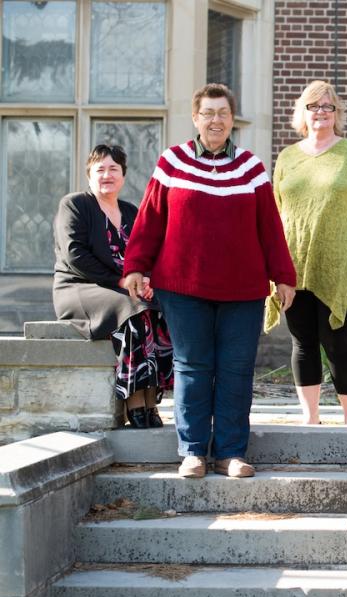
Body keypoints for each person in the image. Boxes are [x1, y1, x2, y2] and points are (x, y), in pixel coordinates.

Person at [122, 83, 297, 479]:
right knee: (192, 367)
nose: (215, 120)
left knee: (236, 369)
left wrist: (284, 276)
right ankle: (194, 452)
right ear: (196, 118)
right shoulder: (172, 162)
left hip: (243, 290)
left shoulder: (251, 167)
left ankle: (231, 453)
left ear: (232, 119)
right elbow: (150, 220)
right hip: (183, 287)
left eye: (222, 113)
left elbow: (270, 228)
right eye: (208, 113)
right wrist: (135, 266)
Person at [264, 80, 347, 425]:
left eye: (328, 106)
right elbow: (277, 207)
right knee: (302, 341)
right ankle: (310, 418)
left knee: (336, 340)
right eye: (313, 106)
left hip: (340, 264)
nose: (321, 113)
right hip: (295, 263)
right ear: (302, 113)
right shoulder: (287, 157)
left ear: (337, 113)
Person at [53, 144, 173, 429]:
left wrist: (147, 279)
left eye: (113, 169)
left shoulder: (131, 211)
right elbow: (75, 256)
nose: (107, 175)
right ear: (89, 175)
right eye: (100, 169)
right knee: (132, 309)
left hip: (126, 290)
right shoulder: (76, 204)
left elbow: (150, 252)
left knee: (158, 308)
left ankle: (151, 401)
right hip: (79, 287)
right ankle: (134, 403)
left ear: (123, 175)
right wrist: (122, 280)